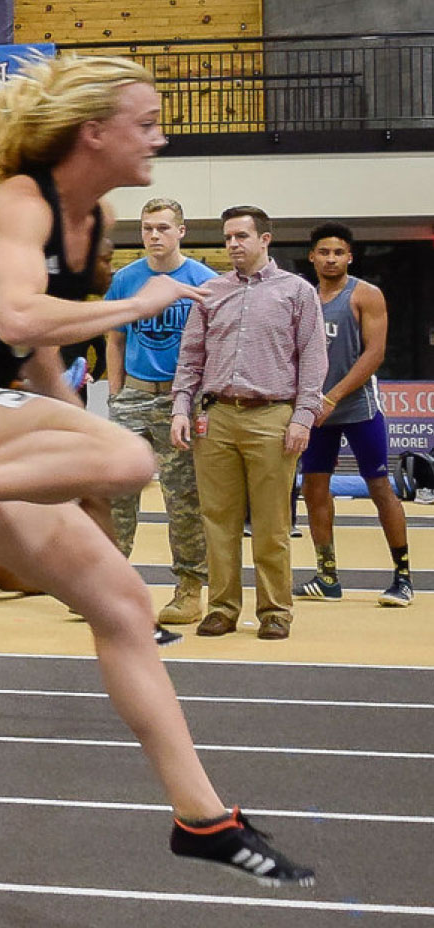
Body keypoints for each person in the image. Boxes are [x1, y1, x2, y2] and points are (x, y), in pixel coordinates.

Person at [0, 54, 314, 886]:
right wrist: (141, 303)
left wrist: (70, 451)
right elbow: (18, 311)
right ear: (94, 131)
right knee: (130, 453)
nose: (160, 136)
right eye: (146, 122)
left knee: (120, 601)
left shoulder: (92, 224)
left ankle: (201, 815)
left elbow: (43, 354)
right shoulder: (23, 202)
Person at [170, 206, 324, 642]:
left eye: (241, 236)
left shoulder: (296, 292)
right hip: (216, 417)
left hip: (273, 417)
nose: (233, 244)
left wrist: (302, 417)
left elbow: (313, 359)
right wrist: (182, 408)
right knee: (216, 519)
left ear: (265, 239)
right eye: (228, 238)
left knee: (273, 523)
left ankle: (276, 609)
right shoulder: (210, 292)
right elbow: (191, 358)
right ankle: (221, 607)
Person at [100, 197, 216, 625]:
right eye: (148, 227)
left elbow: (215, 346)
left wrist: (197, 399)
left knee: (182, 497)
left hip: (178, 401)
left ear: (181, 231)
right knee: (116, 494)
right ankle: (107, 586)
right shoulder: (126, 279)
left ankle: (189, 588)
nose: (154, 236)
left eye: (163, 228)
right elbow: (113, 338)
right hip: (133, 395)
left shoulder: (204, 281)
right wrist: (115, 394)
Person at [299, 221, 412, 607]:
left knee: (380, 486)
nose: (331, 259)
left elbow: (374, 354)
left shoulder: (366, 294)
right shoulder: (304, 297)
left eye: (339, 253)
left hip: (358, 407)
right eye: (324, 252)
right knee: (313, 488)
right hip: (317, 411)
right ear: (312, 256)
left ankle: (402, 576)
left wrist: (332, 398)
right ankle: (327, 575)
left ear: (350, 256)